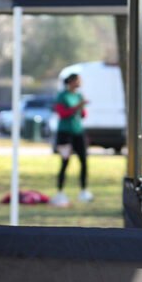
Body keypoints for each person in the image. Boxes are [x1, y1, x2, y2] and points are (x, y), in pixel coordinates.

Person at [51, 73, 91, 207]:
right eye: (78, 80)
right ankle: (60, 192)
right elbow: (62, 113)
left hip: (78, 132)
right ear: (71, 81)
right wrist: (77, 106)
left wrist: (82, 107)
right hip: (65, 133)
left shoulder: (79, 96)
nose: (80, 83)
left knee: (84, 161)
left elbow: (83, 115)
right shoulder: (62, 96)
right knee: (65, 162)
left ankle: (84, 190)